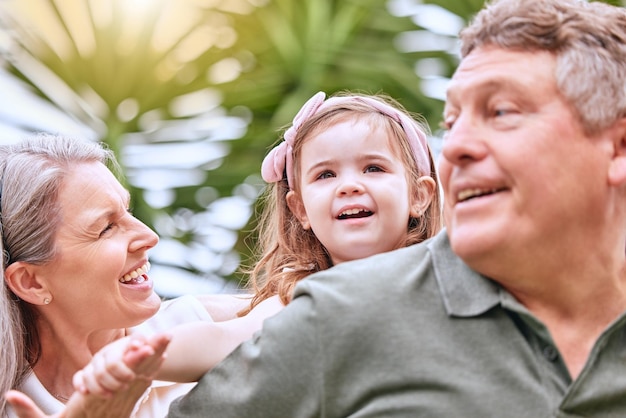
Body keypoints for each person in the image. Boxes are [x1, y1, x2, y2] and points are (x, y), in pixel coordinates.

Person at [13, 0, 626, 414]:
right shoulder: (340, 310)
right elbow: (215, 338)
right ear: (298, 205)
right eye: (453, 120)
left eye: (503, 111)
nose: (458, 146)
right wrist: (131, 372)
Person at [61, 90, 443, 393]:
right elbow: (221, 340)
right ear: (301, 210)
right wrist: (134, 357)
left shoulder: (444, 270)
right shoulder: (302, 294)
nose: (349, 185)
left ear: (419, 195)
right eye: (325, 175)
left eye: (373, 168)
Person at [0, 133, 280, 418]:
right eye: (106, 228)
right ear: (31, 282)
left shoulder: (207, 324)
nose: (149, 236)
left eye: (128, 210)